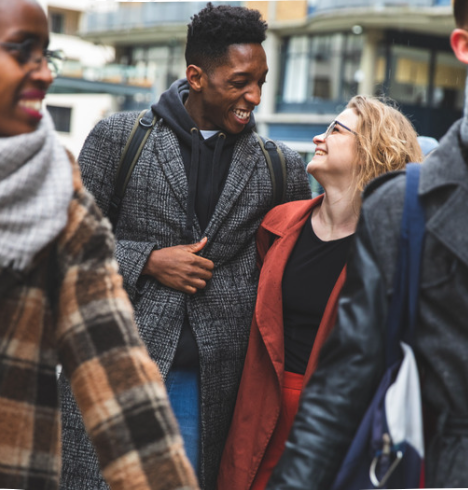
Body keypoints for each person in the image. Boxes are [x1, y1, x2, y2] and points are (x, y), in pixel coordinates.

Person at [58, 3, 311, 490]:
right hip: (113, 365)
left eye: (261, 80)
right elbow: (65, 243)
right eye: (240, 81)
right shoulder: (120, 138)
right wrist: (147, 260)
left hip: (215, 385)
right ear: (196, 76)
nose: (254, 96)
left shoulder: (280, 167)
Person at [266, 0, 468, 488]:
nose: (319, 137)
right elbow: (345, 384)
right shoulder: (400, 212)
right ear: (462, 45)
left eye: (336, 129)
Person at [0, 1, 199, 490]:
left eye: (48, 56)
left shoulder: (57, 195)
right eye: (21, 51)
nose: (43, 73)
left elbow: (117, 371)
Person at [217, 95, 423, 490]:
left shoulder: (394, 246)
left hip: (341, 420)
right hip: (257, 411)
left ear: (372, 148)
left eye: (335, 130)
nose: (318, 138)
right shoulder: (277, 226)